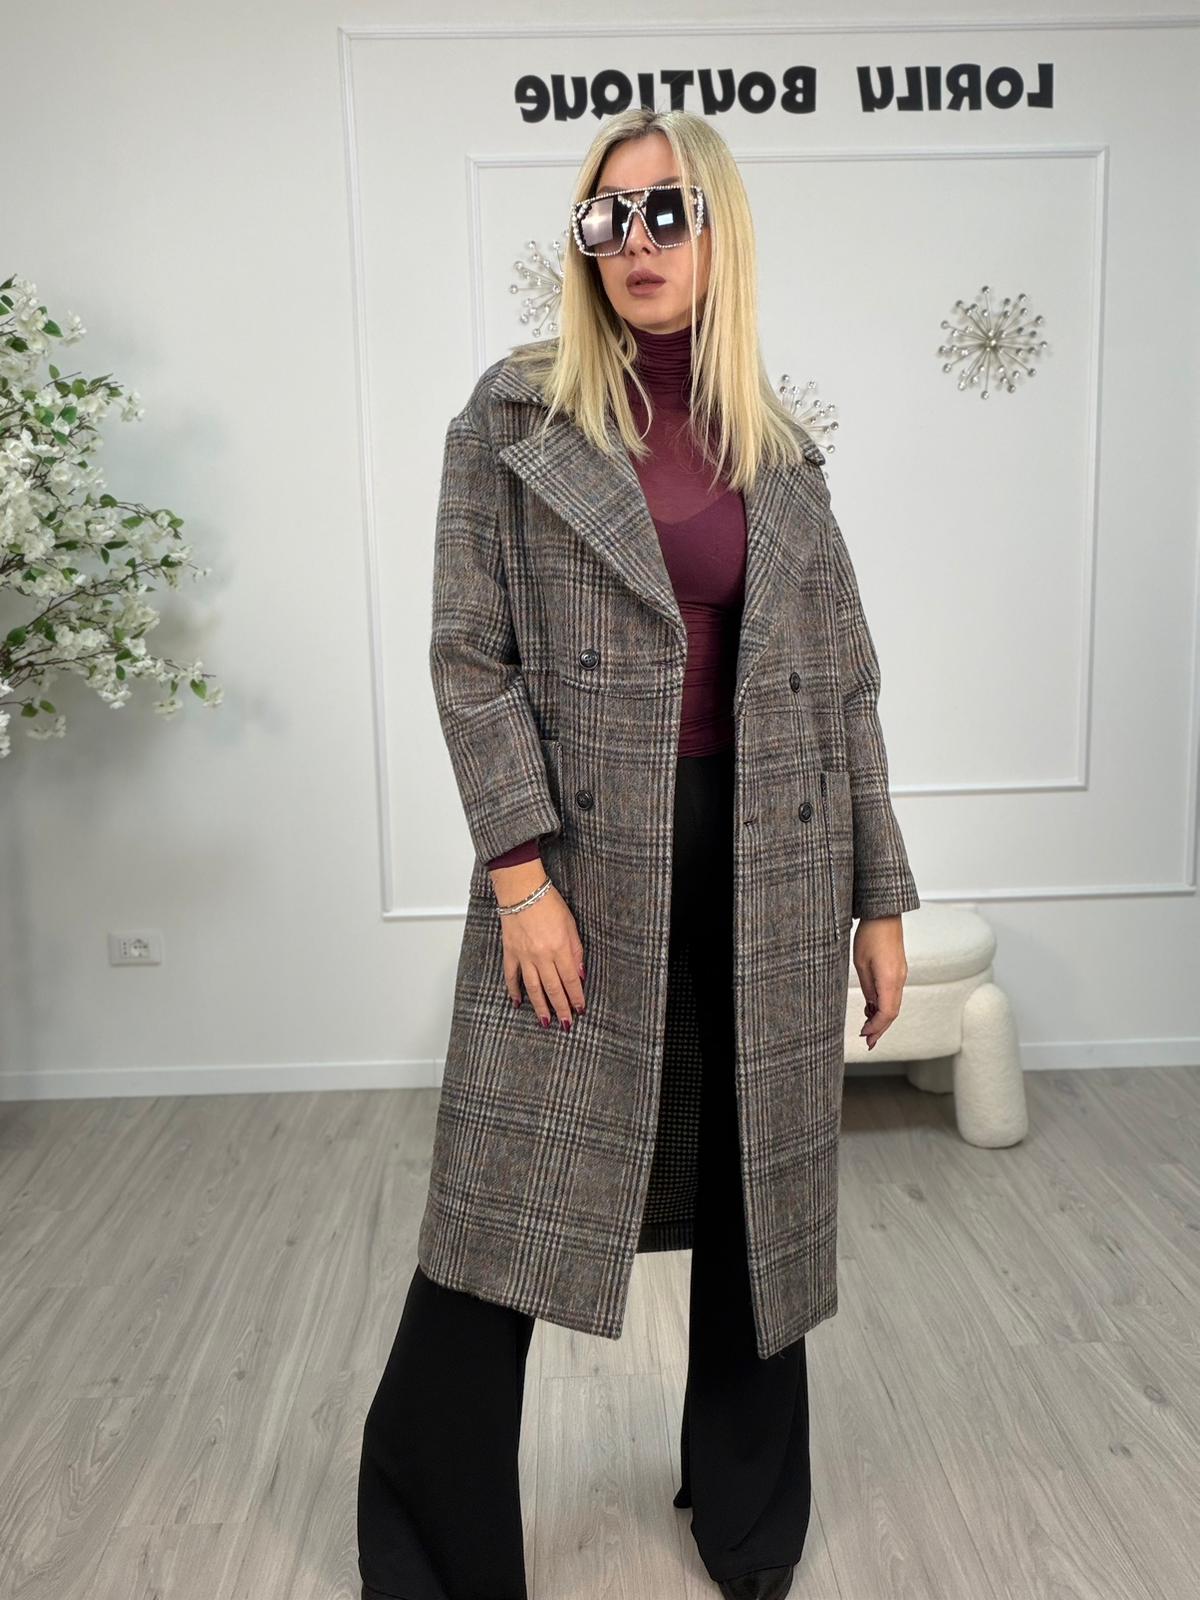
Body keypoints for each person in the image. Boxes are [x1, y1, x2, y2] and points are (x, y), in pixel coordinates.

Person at [358, 107, 918, 1600]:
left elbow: (844, 685)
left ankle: (747, 1519)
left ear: (720, 233)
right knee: (501, 1210)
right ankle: (432, 1548)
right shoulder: (514, 419)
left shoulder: (781, 451)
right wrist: (520, 876)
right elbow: (469, 658)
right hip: (584, 867)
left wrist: (878, 896)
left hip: (774, 858)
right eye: (606, 218)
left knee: (758, 1203)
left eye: (666, 212)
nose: (634, 243)